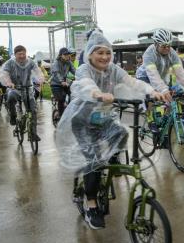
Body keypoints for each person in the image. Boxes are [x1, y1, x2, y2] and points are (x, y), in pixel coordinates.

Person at [56, 29, 162, 230]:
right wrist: (97, 93)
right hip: (83, 120)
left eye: (107, 52)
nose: (104, 57)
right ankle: (91, 204)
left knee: (121, 133)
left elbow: (133, 81)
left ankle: (112, 160)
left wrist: (153, 91)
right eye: (99, 52)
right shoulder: (83, 69)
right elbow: (85, 85)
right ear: (90, 54)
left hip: (103, 118)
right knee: (94, 163)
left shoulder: (114, 69)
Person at [0, 45, 44, 140]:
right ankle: (12, 115)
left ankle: (33, 134)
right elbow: (4, 74)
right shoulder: (10, 63)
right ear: (15, 54)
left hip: (27, 88)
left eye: (24, 53)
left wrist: (40, 79)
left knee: (33, 110)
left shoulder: (30, 62)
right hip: (14, 87)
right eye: (20, 54)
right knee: (10, 96)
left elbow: (37, 71)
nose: (22, 56)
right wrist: (9, 83)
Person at [51, 48, 76, 119]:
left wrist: (81, 77)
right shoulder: (56, 63)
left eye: (68, 54)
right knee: (61, 99)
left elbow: (74, 71)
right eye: (65, 54)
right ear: (60, 55)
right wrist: (61, 81)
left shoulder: (69, 62)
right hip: (55, 84)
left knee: (74, 94)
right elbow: (57, 73)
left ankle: (69, 108)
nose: (67, 56)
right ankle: (61, 117)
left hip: (65, 83)